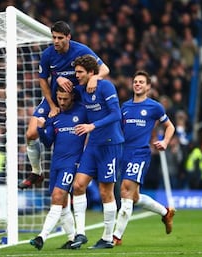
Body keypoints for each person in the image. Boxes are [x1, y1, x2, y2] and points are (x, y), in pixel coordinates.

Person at [18, 21, 110, 189]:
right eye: (54, 37)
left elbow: (105, 69)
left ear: (68, 37)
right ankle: (36, 172)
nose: (56, 41)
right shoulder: (48, 55)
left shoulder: (81, 50)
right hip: (54, 99)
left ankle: (95, 171)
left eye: (60, 38)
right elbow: (42, 80)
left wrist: (95, 78)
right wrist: (52, 106)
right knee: (31, 133)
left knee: (88, 134)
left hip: (77, 101)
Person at [112, 70, 176, 246]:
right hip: (124, 153)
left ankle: (116, 236)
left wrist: (165, 141)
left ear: (148, 86)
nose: (137, 84)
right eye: (135, 82)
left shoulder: (154, 107)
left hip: (140, 153)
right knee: (134, 197)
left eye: (141, 82)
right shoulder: (124, 107)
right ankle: (165, 213)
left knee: (125, 190)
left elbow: (170, 127)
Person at [70, 54, 124, 249]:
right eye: (75, 72)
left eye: (80, 72)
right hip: (92, 146)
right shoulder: (81, 89)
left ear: (91, 73)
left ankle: (108, 238)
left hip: (110, 145)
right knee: (78, 185)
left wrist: (93, 126)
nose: (76, 75)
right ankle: (80, 234)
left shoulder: (106, 87)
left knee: (105, 192)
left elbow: (116, 114)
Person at [29, 87, 88, 250]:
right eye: (59, 99)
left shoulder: (83, 112)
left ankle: (41, 237)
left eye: (65, 99)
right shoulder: (55, 116)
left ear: (73, 97)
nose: (62, 102)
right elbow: (48, 142)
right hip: (56, 164)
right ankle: (71, 239)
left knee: (57, 196)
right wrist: (41, 128)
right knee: (61, 205)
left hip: (72, 164)